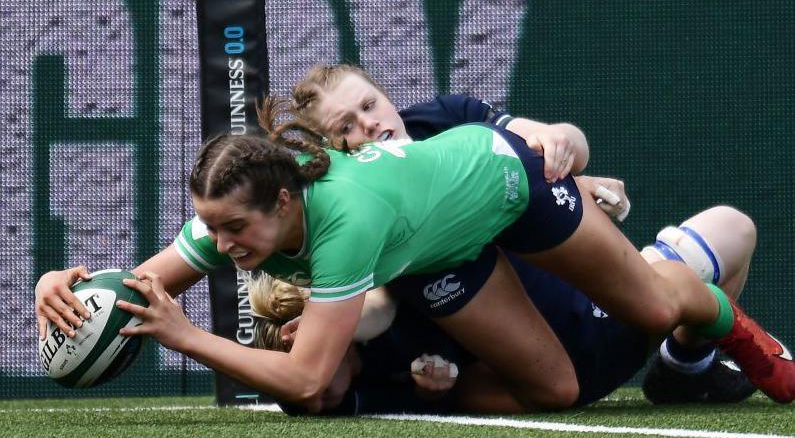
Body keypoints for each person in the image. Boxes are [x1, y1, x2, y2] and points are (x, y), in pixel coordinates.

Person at [35, 82, 794, 412]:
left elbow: (303, 380)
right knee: (556, 393)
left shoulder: (344, 225)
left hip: (504, 182)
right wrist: (57, 285)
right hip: (445, 246)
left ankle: (733, 328)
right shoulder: (236, 205)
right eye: (212, 227)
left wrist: (184, 334)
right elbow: (135, 287)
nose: (224, 243)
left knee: (658, 303)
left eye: (237, 229)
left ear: (287, 200)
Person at [283, 63, 759, 403]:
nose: (370, 124)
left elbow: (562, 140)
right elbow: (378, 307)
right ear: (332, 154)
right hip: (539, 365)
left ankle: (683, 369)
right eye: (347, 126)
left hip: (613, 307)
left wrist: (562, 147)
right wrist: (325, 327)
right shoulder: (362, 216)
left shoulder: (445, 118)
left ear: (386, 96)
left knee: (733, 228)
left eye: (370, 104)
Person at [247, 210, 759, 415]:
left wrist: (581, 185)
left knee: (734, 229)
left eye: (299, 381)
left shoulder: (373, 281)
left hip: (598, 301)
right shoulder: (356, 396)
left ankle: (683, 367)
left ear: (303, 333)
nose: (309, 399)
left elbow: (375, 307)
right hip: (576, 358)